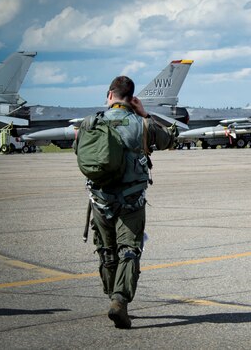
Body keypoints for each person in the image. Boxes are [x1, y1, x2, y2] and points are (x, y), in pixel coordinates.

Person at [75, 76, 177, 328]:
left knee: (107, 251)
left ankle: (112, 295)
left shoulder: (90, 123)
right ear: (132, 99)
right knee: (129, 250)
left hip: (99, 199)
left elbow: (80, 153)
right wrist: (145, 115)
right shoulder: (141, 124)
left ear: (110, 95)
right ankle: (120, 300)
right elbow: (168, 141)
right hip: (131, 199)